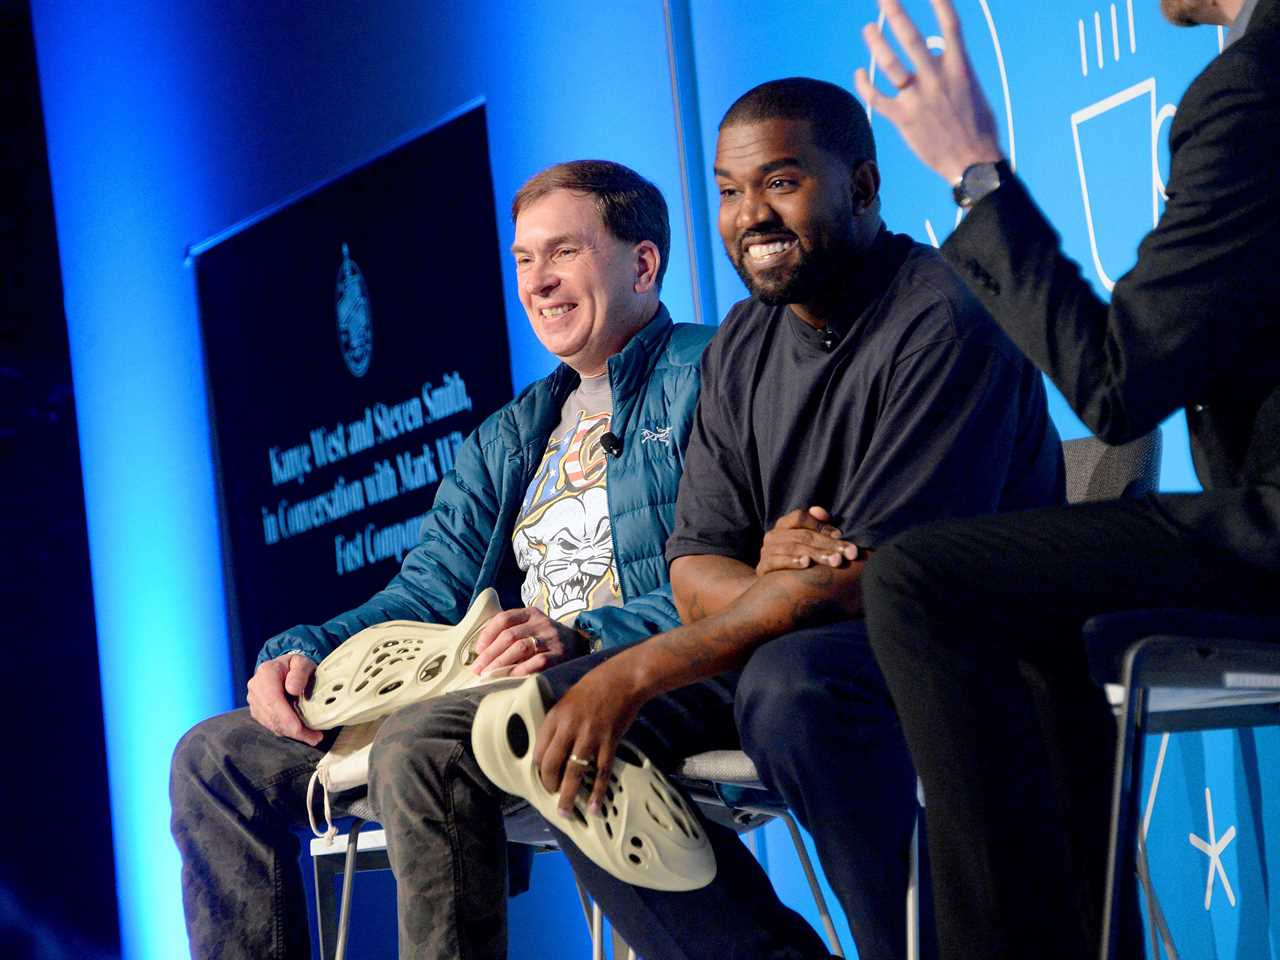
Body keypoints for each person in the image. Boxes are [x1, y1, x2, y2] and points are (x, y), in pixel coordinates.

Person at [520, 77, 1064, 960]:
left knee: (788, 691)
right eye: (730, 192)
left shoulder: (948, 315)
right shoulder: (742, 343)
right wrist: (772, 585)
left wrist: (631, 672)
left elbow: (869, 582)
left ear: (861, 186)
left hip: (966, 646)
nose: (750, 216)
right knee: (547, 712)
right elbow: (695, 567)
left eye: (781, 183)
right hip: (802, 640)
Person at [169, 159, 715, 959]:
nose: (538, 283)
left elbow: (734, 571)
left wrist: (584, 638)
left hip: (637, 679)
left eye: (563, 253)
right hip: (483, 687)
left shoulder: (714, 372)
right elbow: (427, 591)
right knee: (214, 759)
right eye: (524, 260)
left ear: (642, 263)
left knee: (419, 742)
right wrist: (305, 649)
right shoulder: (508, 436)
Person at [850, 0, 1280, 957]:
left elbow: (1117, 383)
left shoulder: (1252, 90)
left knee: (920, 580)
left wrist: (976, 176)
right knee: (1030, 611)